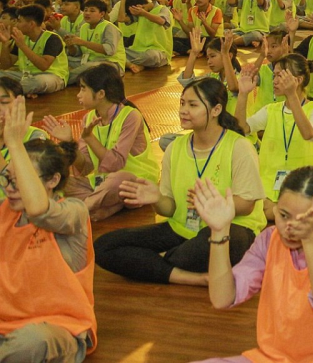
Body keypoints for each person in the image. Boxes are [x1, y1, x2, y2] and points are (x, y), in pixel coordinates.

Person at [191, 167, 313, 363]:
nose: (290, 227)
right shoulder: (269, 240)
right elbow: (222, 299)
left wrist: (311, 239)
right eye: (283, 215)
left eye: (304, 219)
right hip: (277, 357)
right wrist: (220, 231)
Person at [94, 78, 266, 286]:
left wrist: (214, 205)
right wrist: (157, 199)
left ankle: (158, 263)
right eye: (182, 103)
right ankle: (189, 275)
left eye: (192, 105)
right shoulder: (174, 148)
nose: (183, 110)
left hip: (230, 228)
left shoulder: (239, 147)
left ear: (216, 110)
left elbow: (247, 205)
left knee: (211, 244)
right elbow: (170, 209)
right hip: (182, 229)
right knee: (104, 246)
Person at [0, 99, 96, 363]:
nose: (10, 189)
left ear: (53, 180)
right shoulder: (5, 212)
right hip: (6, 324)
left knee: (33, 341)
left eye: (22, 180)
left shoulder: (74, 212)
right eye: (8, 180)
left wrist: (14, 144)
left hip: (57, 327)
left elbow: (38, 209)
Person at [44, 64, 160, 222]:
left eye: (83, 89)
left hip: (135, 181)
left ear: (100, 94)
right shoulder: (88, 118)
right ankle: (109, 206)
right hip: (102, 183)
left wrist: (89, 137)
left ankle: (82, 209)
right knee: (57, 181)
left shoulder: (131, 116)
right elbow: (86, 167)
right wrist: (69, 142)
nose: (78, 95)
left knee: (119, 180)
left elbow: (115, 165)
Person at [235, 54, 313, 221]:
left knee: (267, 210)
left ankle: (283, 212)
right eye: (274, 76)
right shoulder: (271, 109)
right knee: (252, 206)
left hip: (302, 184)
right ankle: (284, 213)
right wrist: (242, 94)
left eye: (280, 76)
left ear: (298, 80)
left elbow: (308, 134)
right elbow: (241, 128)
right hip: (269, 182)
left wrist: (292, 95)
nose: (275, 81)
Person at [0, 4, 69, 95]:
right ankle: (19, 91)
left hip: (51, 76)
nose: (16, 25)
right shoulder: (23, 38)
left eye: (19, 21)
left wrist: (22, 46)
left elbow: (43, 66)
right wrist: (5, 44)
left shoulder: (52, 38)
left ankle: (8, 92)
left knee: (37, 82)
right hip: (25, 75)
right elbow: (5, 66)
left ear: (31, 24)